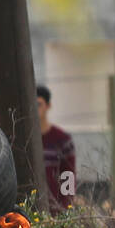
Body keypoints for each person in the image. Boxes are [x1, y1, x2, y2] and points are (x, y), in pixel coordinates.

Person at [36, 85, 76, 214]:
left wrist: (65, 206)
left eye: (39, 104)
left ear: (48, 106)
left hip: (54, 209)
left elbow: (68, 174)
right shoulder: (24, 139)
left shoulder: (62, 140)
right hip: (29, 210)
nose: (35, 109)